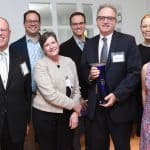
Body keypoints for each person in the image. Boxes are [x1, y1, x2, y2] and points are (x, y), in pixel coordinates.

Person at [80, 4, 141, 150]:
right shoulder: (89, 43)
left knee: (122, 146)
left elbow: (134, 72)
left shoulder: (127, 41)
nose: (105, 21)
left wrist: (116, 95)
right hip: (96, 110)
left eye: (110, 18)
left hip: (120, 107)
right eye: (102, 18)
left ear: (115, 21)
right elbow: (83, 69)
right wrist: (89, 74)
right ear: (97, 20)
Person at [32, 31, 82, 150]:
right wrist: (75, 106)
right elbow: (50, 94)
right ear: (43, 49)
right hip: (45, 116)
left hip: (67, 114)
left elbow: (77, 89)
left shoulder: (69, 61)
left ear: (58, 43)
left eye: (53, 42)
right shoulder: (40, 65)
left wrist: (75, 113)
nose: (51, 46)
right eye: (47, 45)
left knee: (67, 147)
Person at [10, 10, 44, 149]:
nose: (32, 23)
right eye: (29, 21)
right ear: (24, 24)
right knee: (27, 136)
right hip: (25, 98)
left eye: (35, 21)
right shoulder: (15, 47)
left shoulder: (49, 43)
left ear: (40, 24)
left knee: (46, 135)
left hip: (46, 97)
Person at [0, 17, 32, 150]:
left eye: (3, 30)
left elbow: (27, 90)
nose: (0, 33)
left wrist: (27, 121)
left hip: (16, 123)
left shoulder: (21, 58)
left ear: (9, 33)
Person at [60, 12, 88, 150]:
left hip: (93, 100)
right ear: (71, 26)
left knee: (94, 137)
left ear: (85, 24)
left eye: (81, 23)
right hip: (74, 101)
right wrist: (78, 98)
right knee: (74, 140)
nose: (78, 26)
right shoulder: (64, 48)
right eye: (75, 24)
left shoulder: (93, 44)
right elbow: (65, 78)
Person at [136, 14, 150, 136]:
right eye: (144, 26)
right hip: (142, 101)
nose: (147, 29)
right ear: (140, 28)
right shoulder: (135, 50)